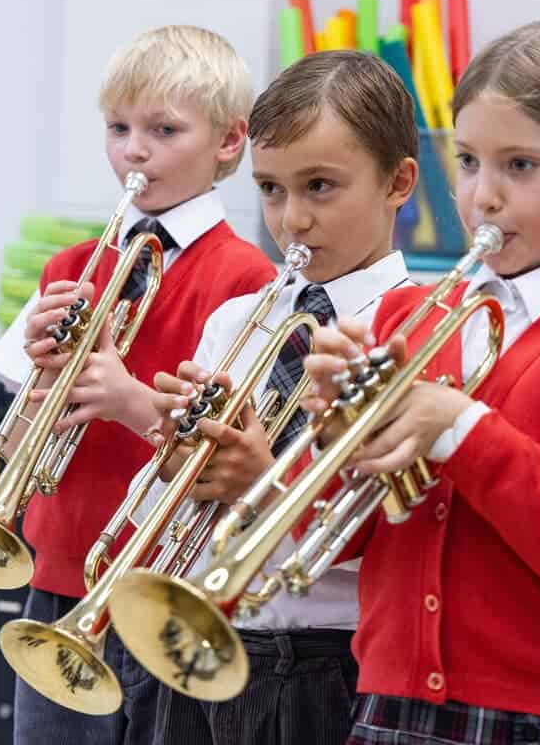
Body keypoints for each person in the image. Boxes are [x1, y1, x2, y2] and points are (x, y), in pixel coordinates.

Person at [301, 17, 540, 745]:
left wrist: (461, 430)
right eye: (469, 161)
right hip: (386, 702)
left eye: (520, 166)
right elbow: (332, 540)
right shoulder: (408, 314)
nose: (482, 197)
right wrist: (333, 434)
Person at [0, 24, 276, 744]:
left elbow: (224, 458)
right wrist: (42, 374)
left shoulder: (249, 279)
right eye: (117, 128)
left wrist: (128, 401)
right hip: (57, 572)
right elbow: (12, 445)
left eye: (163, 129)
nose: (132, 151)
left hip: (160, 581)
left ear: (229, 142)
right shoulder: (69, 267)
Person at [145, 49, 420, 745]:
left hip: (328, 657)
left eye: (319, 186)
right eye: (270, 189)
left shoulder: (419, 327)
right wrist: (181, 455)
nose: (290, 219)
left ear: (399, 182)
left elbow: (407, 529)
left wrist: (265, 479)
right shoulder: (236, 321)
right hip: (203, 634)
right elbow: (180, 495)